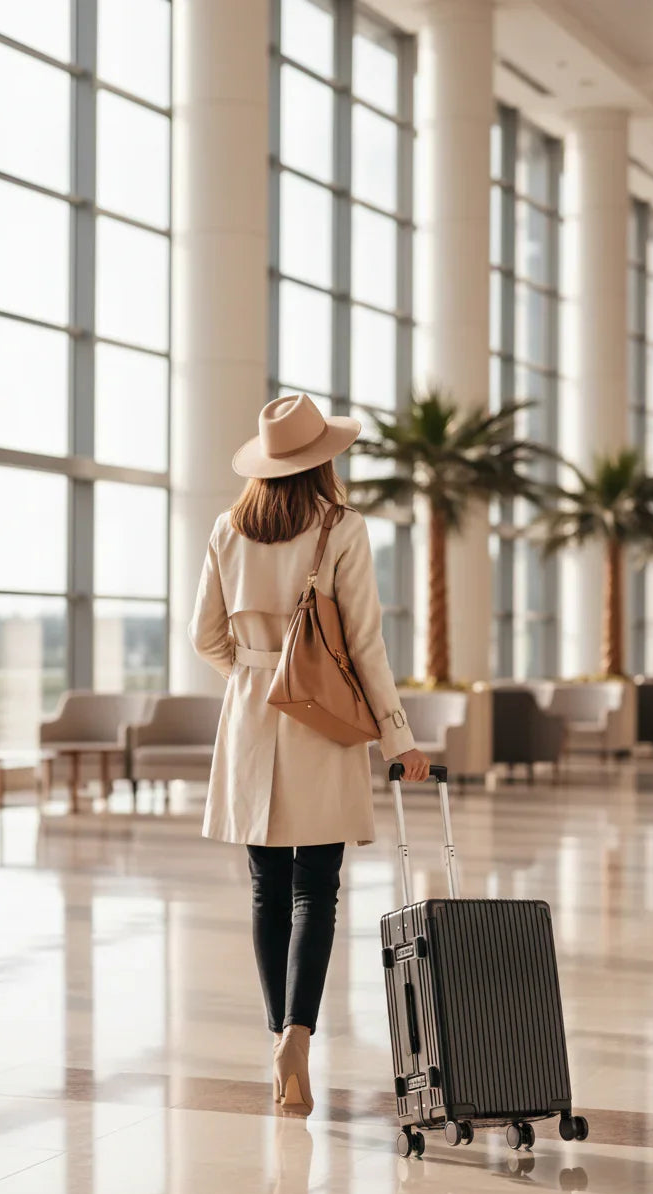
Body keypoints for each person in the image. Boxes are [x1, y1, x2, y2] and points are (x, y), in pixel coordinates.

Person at [189, 393, 430, 1115]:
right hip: (321, 723)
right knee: (315, 891)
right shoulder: (341, 528)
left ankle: (277, 1038)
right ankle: (298, 1032)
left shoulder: (227, 529)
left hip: (249, 719)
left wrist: (255, 679)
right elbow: (365, 644)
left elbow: (204, 638)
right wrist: (399, 737)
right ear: (322, 460)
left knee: (267, 889)